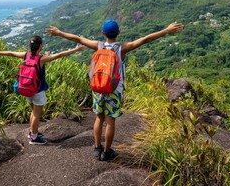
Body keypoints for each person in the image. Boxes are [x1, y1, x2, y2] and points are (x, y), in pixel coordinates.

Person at [46, 20, 183, 160]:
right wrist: (166, 30)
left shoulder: (98, 45)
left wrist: (59, 33)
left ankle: (97, 147)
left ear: (103, 33)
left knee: (98, 118)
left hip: (98, 88)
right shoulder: (121, 48)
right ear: (118, 33)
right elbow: (145, 39)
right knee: (110, 122)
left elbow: (78, 38)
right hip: (114, 90)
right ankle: (106, 152)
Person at [0, 35, 86, 145]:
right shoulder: (41, 59)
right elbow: (59, 55)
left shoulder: (26, 55)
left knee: (33, 112)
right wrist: (76, 49)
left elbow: (11, 53)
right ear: (40, 46)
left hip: (26, 88)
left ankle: (32, 132)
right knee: (36, 114)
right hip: (37, 91)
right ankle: (34, 138)